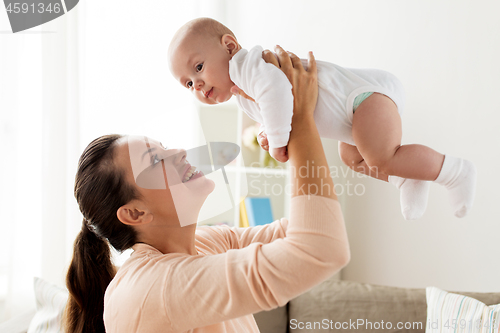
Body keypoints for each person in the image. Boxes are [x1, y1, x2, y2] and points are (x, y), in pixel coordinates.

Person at [64, 47, 350, 333]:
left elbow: (320, 226)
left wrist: (281, 120)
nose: (176, 152)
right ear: (136, 212)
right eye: (154, 160)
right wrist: (299, 122)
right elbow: (321, 248)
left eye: (163, 146)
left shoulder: (207, 243)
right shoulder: (148, 289)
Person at [167, 17, 477, 220]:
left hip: (364, 98)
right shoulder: (240, 93)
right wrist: (266, 131)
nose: (198, 85)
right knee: (353, 158)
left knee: (379, 155)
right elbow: (274, 108)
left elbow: (276, 91)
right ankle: (404, 176)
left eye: (198, 68)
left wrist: (276, 141)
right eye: (189, 84)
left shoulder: (246, 66)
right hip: (351, 117)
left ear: (229, 46)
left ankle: (455, 172)